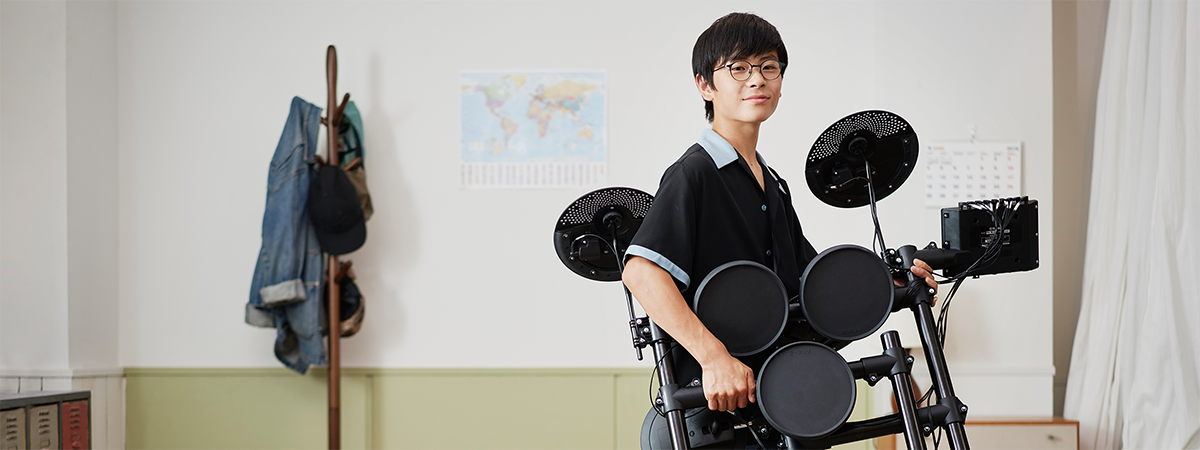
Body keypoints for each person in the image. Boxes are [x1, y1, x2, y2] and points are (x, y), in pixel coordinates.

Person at [621, 12, 938, 417]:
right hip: (712, 410)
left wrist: (888, 282)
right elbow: (642, 272)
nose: (757, 79)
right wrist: (714, 358)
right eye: (738, 68)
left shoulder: (772, 183)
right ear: (705, 85)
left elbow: (811, 286)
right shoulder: (694, 174)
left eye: (769, 67)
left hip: (777, 398)